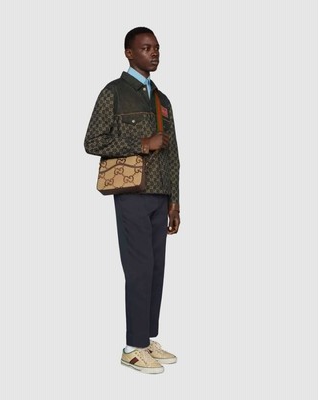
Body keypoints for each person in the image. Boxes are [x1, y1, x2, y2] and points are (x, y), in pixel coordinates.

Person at [84, 27, 180, 374]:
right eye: (146, 48)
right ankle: (131, 348)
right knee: (138, 270)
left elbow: (173, 153)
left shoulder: (162, 100)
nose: (154, 53)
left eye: (156, 48)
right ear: (129, 53)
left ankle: (146, 339)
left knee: (155, 270)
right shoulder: (114, 92)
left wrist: (175, 201)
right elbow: (92, 141)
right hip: (132, 194)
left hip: (160, 194)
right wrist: (142, 143)